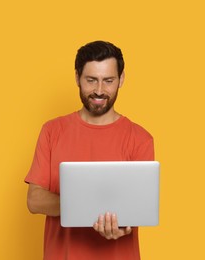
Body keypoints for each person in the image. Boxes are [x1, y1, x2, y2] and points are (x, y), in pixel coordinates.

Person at [25, 40, 155, 260]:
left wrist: (122, 226)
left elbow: (139, 209)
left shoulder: (140, 139)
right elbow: (34, 200)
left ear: (121, 80)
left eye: (109, 81)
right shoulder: (52, 131)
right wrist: (89, 207)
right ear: (77, 78)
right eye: (91, 80)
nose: (99, 90)